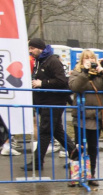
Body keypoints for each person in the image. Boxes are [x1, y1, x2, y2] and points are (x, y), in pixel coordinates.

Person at [23, 38, 79, 171]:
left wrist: (42, 83)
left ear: (39, 48)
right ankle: (77, 155)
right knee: (57, 131)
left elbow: (61, 81)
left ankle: (37, 162)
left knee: (45, 131)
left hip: (53, 102)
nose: (30, 51)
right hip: (45, 102)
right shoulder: (40, 60)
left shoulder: (52, 61)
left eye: (32, 48)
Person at [68, 49, 103, 186]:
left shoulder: (100, 74)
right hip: (81, 116)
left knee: (93, 147)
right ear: (82, 60)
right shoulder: (77, 72)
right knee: (79, 147)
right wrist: (85, 73)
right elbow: (75, 87)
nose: (89, 61)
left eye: (92, 58)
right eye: (86, 58)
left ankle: (91, 175)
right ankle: (76, 175)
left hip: (96, 117)